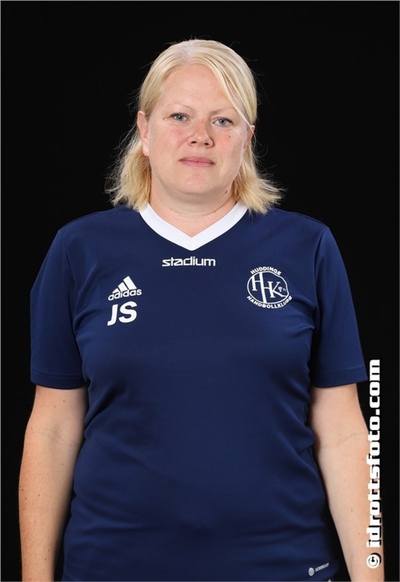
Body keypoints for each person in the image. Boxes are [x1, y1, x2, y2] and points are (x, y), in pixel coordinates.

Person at [19, 38, 384, 582]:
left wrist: (372, 571)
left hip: (281, 566)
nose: (201, 136)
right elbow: (52, 429)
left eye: (223, 120)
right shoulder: (80, 250)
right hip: (113, 568)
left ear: (247, 139)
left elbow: (347, 433)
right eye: (180, 116)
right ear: (144, 130)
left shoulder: (307, 247)